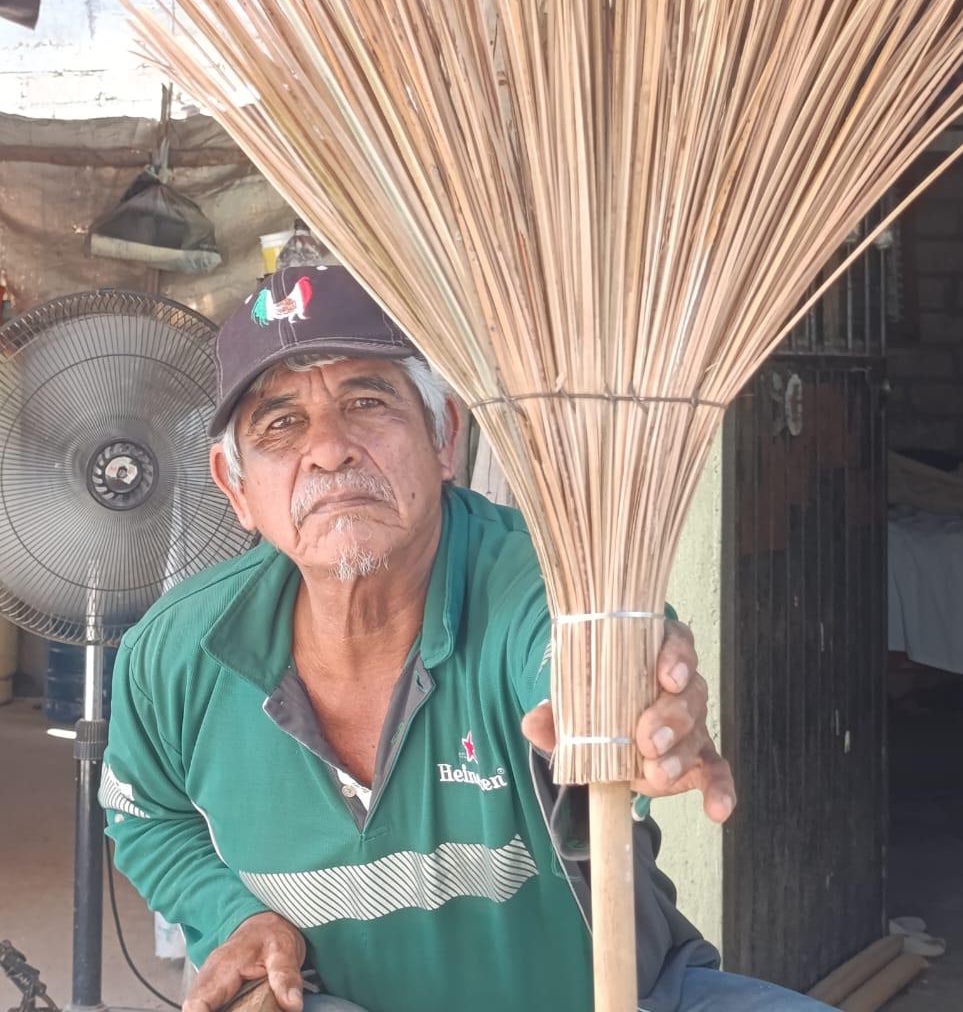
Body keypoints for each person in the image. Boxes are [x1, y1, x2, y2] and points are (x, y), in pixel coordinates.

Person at [102, 265, 827, 1012]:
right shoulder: (176, 652)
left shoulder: (547, 588)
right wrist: (238, 917)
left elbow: (576, 653)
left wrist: (626, 710)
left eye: (366, 401)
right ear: (235, 488)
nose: (328, 450)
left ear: (444, 436)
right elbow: (146, 817)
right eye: (281, 424)